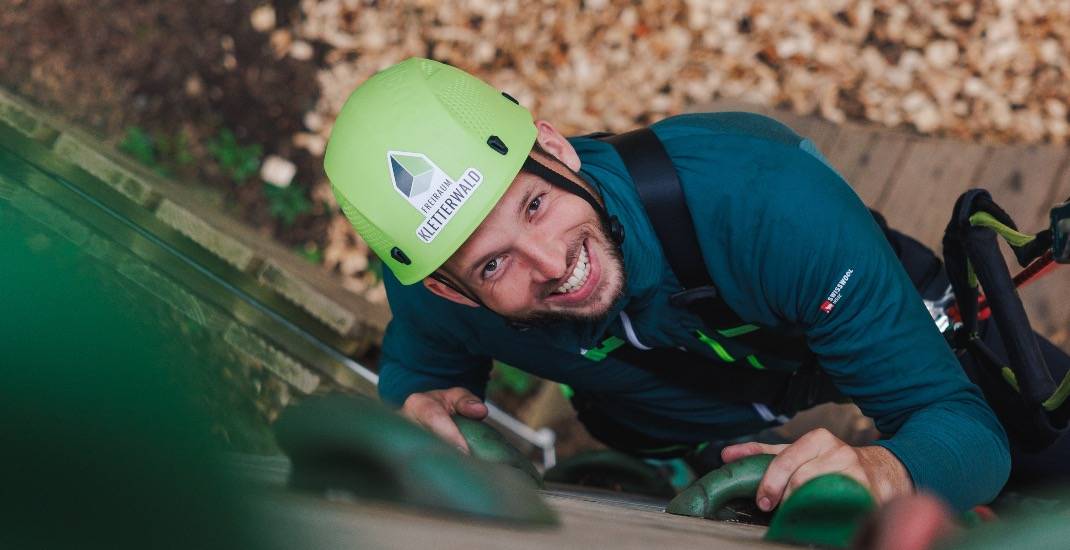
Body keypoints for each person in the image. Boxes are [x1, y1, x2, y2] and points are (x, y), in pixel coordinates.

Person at [323, 57, 1013, 513]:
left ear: (556, 149)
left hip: (820, 311)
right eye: (492, 266)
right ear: (449, 290)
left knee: (1040, 434)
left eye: (534, 205)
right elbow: (421, 371)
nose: (552, 263)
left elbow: (971, 433)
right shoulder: (431, 292)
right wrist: (417, 408)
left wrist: (890, 471)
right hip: (681, 417)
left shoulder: (762, 203)